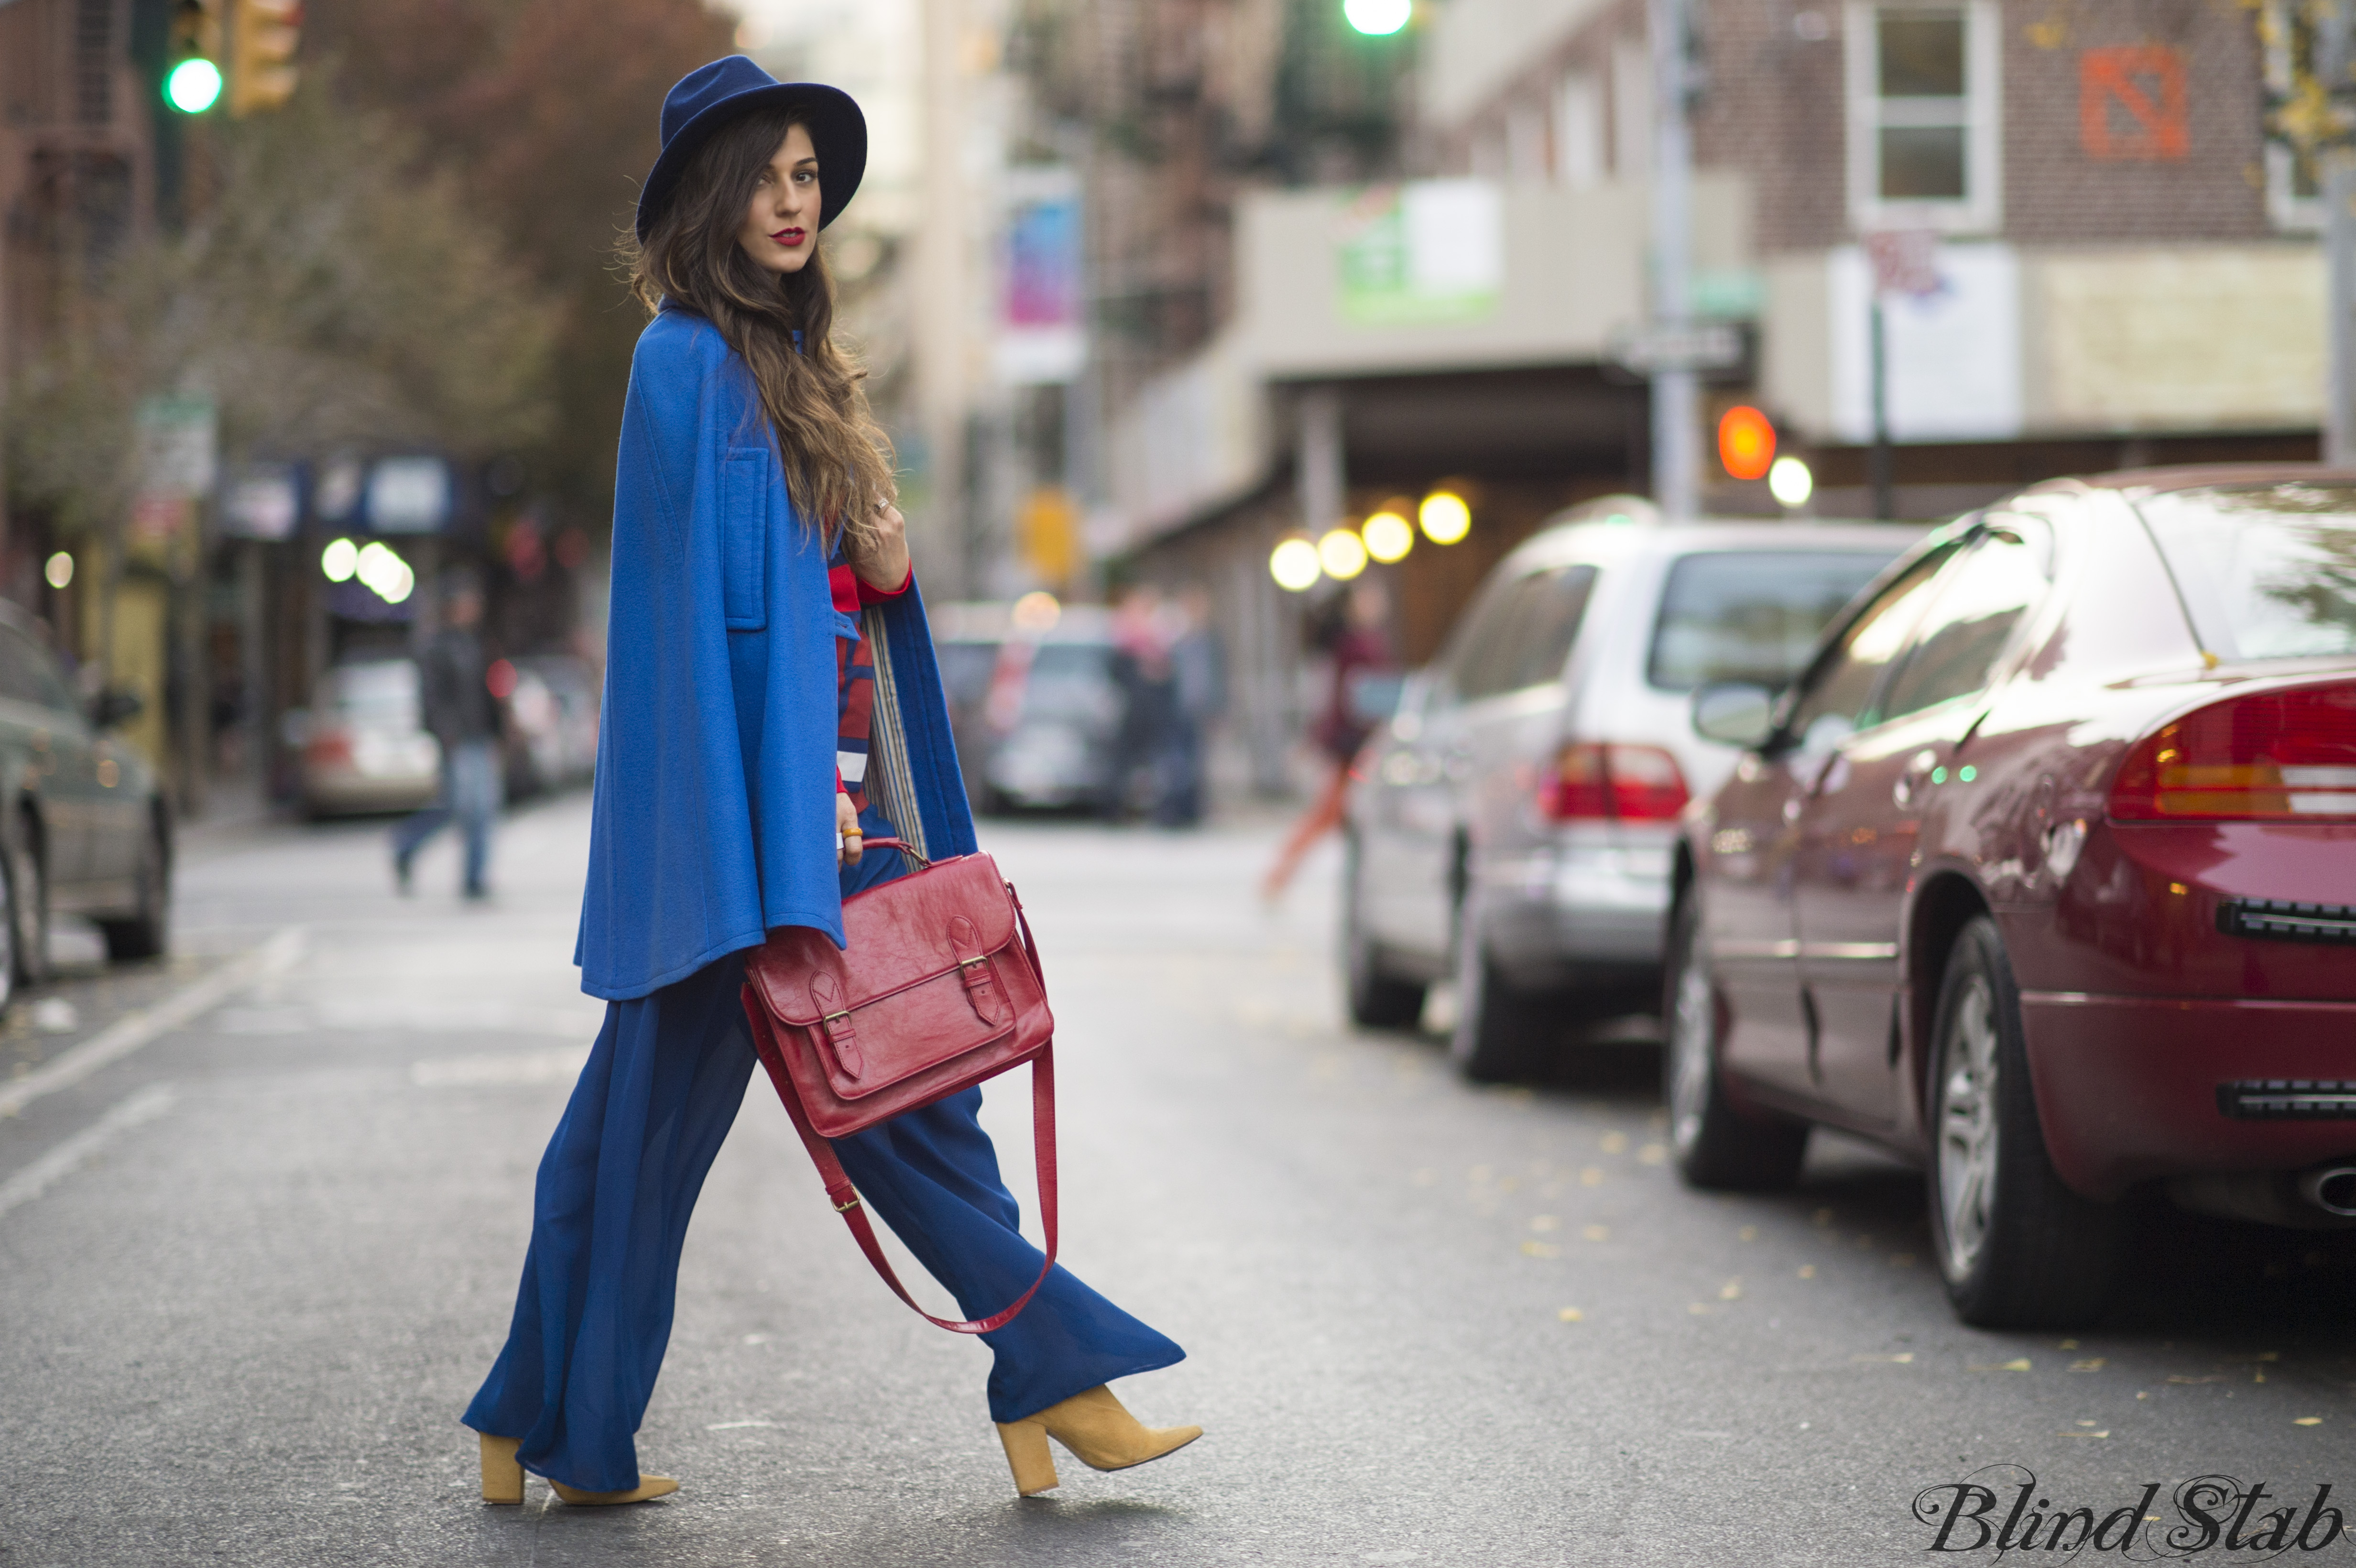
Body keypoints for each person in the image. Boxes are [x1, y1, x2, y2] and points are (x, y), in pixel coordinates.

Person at [462, 58, 1200, 1509]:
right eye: (764, 175)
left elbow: (827, 607)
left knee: (808, 1111)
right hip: (749, 837)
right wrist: (769, 823)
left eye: (807, 175)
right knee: (802, 1115)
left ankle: (540, 1415)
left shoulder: (794, 366)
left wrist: (879, 555)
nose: (793, 201)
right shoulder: (679, 360)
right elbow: (683, 629)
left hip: (821, 813)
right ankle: (1050, 1379)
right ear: (704, 200)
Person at [1261, 578, 1394, 900]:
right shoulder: (1356, 644)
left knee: (1341, 814)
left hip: (1351, 739)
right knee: (1332, 813)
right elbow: (1356, 696)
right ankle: (1280, 875)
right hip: (1354, 741)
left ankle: (1285, 875)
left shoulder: (1349, 643)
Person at [392, 575, 502, 899]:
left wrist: (498, 732)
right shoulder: (436, 647)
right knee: (459, 807)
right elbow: (432, 698)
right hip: (457, 740)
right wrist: (445, 734)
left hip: (480, 736)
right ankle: (406, 845)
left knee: (482, 808)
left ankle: (474, 879)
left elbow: (487, 694)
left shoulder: (477, 643)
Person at [1158, 586, 1225, 828]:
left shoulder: (1211, 640)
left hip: (1202, 709)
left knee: (1200, 762)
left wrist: (1218, 707)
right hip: (1179, 710)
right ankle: (1175, 809)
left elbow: (1219, 676)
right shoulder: (1178, 640)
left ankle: (1195, 809)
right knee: (1177, 762)